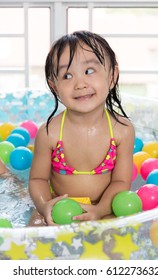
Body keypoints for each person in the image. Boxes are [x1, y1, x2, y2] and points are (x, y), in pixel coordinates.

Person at [28, 30, 135, 226]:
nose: (80, 84)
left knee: (119, 236)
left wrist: (101, 210)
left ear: (112, 76)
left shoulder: (122, 130)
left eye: (89, 71)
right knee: (35, 230)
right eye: (67, 75)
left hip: (104, 207)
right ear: (54, 86)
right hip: (60, 207)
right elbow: (38, 179)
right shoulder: (50, 132)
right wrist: (45, 207)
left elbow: (121, 182)